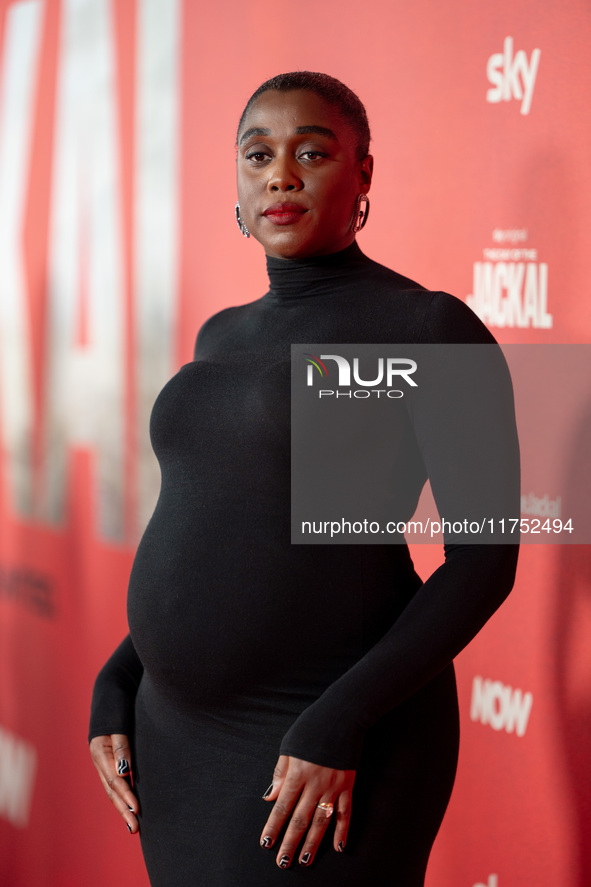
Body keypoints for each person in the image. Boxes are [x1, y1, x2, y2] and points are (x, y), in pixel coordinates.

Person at [89, 72, 519, 886]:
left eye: (311, 152)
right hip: (176, 736)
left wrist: (341, 717)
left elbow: (483, 557)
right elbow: (225, 525)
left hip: (325, 733)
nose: (280, 174)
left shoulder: (425, 327)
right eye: (258, 155)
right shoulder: (220, 334)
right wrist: (123, 670)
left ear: (362, 173)